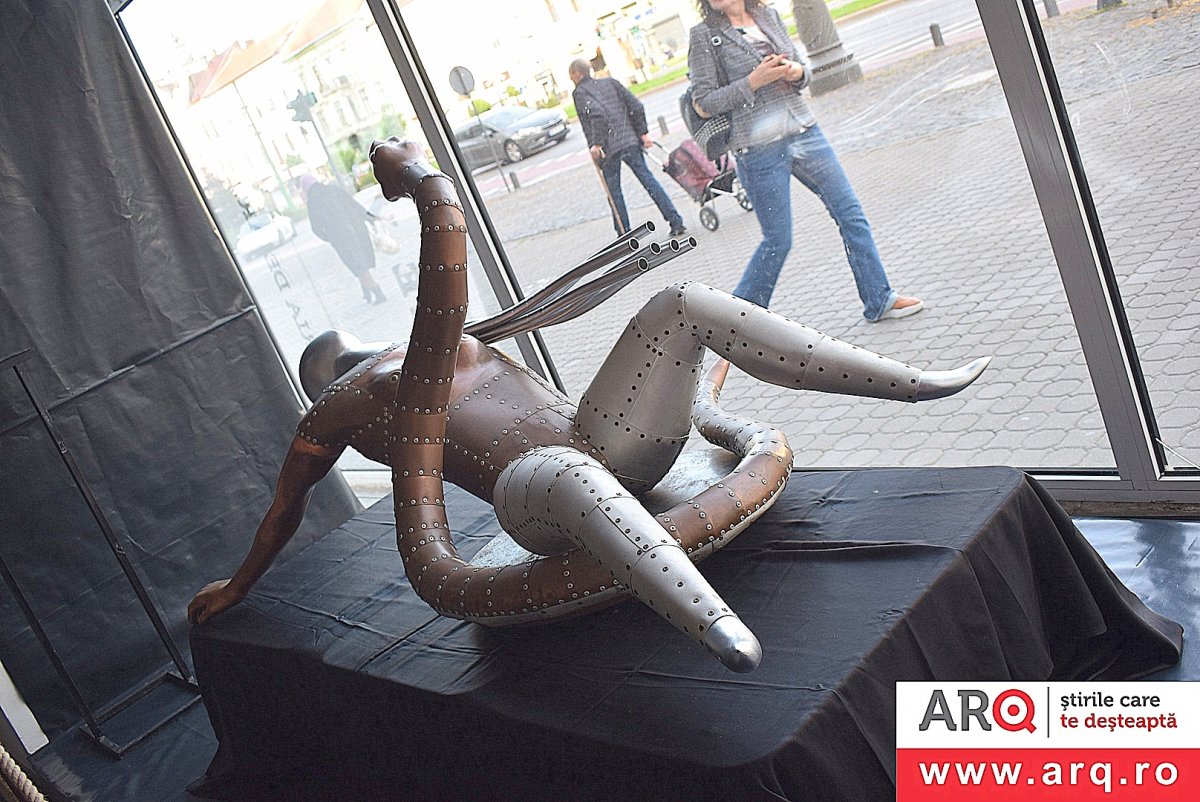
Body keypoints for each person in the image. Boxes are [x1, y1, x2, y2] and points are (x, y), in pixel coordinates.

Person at [189, 139, 987, 672]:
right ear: (326, 377)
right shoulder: (348, 403)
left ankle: (912, 381)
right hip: (540, 500)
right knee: (562, 470)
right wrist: (237, 587)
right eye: (340, 356)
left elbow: (285, 508)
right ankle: (717, 627)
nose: (359, 354)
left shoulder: (437, 341)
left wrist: (238, 583)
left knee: (680, 302)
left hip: (606, 439)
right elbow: (285, 507)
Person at [687, 0, 923, 321]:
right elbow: (703, 103)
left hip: (804, 131)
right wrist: (753, 81)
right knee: (778, 241)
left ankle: (878, 299)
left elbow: (803, 71)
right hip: (758, 149)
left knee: (851, 215)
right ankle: (732, 323)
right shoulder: (705, 35)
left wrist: (797, 72)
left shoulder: (767, 16)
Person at [569, 59, 688, 238]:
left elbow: (597, 115)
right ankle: (676, 221)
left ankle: (625, 235)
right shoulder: (610, 82)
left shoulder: (580, 93)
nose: (570, 79)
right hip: (630, 140)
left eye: (570, 75)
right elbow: (636, 106)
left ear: (577, 73)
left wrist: (597, 144)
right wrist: (642, 133)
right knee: (649, 181)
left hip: (608, 149)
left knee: (614, 192)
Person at [301, 175, 387, 305]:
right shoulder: (333, 189)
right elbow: (354, 205)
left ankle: (377, 292)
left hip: (341, 238)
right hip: (357, 230)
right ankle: (366, 290)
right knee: (360, 262)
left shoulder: (313, 202)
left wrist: (330, 237)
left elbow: (316, 228)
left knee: (358, 266)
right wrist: (371, 218)